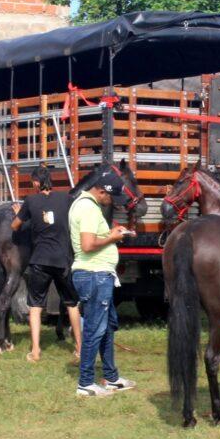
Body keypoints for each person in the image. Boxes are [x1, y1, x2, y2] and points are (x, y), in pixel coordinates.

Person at [69, 169, 136, 397]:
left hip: (98, 274)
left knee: (106, 328)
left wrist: (111, 232)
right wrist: (113, 237)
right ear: (101, 191)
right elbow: (87, 245)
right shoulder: (87, 207)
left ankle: (111, 377)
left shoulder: (88, 205)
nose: (112, 203)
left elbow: (92, 238)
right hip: (94, 274)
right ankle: (86, 383)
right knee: (94, 330)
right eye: (111, 198)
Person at [11, 166, 81, 363]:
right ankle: (80, 348)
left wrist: (21, 213)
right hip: (62, 260)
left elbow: (14, 226)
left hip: (40, 260)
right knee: (72, 304)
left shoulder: (31, 201)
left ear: (35, 183)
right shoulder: (66, 199)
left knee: (35, 306)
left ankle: (35, 351)